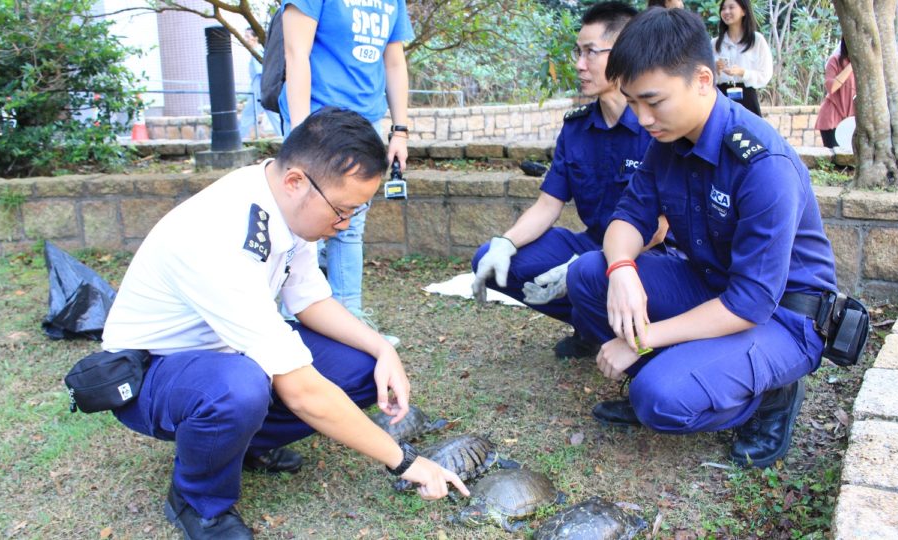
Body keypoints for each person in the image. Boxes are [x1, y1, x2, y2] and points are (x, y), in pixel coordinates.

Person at [101, 108, 468, 539]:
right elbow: (301, 390)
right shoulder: (220, 234)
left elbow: (309, 298)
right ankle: (198, 502)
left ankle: (240, 446)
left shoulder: (283, 204)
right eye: (342, 210)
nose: (345, 225)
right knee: (238, 388)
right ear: (297, 181)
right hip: (155, 372)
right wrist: (404, 460)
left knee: (360, 367)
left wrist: (382, 349)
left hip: (229, 350)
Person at [566, 7, 838, 468]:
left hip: (781, 316)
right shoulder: (668, 142)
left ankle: (770, 395)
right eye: (632, 102)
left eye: (653, 100)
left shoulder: (762, 165)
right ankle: (691, 364)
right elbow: (627, 218)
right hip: (710, 284)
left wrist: (641, 339)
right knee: (591, 273)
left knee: (659, 399)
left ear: (703, 80)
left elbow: (751, 301)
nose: (643, 117)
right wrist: (622, 269)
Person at [470, 2, 662, 359]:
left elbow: (660, 231)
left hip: (647, 257)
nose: (578, 64)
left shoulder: (656, 127)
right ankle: (593, 326)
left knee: (586, 271)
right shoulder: (576, 128)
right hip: (593, 245)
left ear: (624, 54)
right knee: (493, 257)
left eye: (591, 52)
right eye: (578, 51)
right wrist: (504, 244)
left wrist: (589, 266)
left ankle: (616, 324)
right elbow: (548, 205)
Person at [277, 0, 412, 341]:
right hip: (317, 121)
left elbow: (394, 62)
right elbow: (297, 54)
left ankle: (349, 320)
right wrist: (300, 135)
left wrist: (400, 130)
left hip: (364, 123)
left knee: (349, 225)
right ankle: (290, 319)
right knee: (302, 221)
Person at [711, 0, 772, 117]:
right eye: (723, 8)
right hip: (721, 98)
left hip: (747, 97)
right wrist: (716, 69)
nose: (726, 11)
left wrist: (743, 72)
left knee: (748, 134)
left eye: (731, 7)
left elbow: (765, 75)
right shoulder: (714, 43)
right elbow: (706, 77)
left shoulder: (757, 40)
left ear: (744, 10)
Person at [238, 28, 283, 139]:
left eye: (248, 36)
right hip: (262, 90)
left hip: (259, 91)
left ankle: (239, 140)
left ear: (256, 38)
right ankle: (284, 136)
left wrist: (259, 92)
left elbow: (260, 75)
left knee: (247, 116)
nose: (246, 39)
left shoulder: (257, 53)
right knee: (273, 116)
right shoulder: (261, 52)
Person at [814, 39, 855, 148]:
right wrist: (851, 66)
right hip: (832, 119)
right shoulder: (835, 60)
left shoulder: (865, 67)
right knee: (835, 160)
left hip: (852, 121)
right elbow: (831, 87)